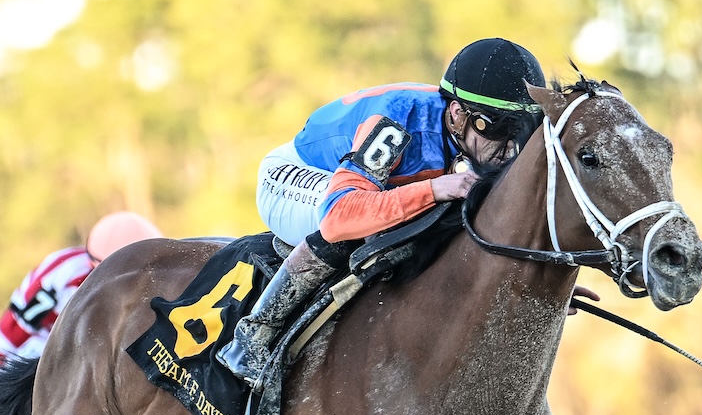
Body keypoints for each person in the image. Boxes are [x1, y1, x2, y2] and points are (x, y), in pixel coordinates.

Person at [220, 37, 593, 387]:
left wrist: (529, 279)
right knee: (362, 225)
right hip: (297, 177)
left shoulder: (461, 129)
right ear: (459, 114)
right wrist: (432, 188)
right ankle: (254, 335)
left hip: (366, 183)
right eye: (500, 130)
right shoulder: (396, 124)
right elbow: (339, 216)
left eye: (522, 133)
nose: (510, 149)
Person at [0, 210, 162, 369]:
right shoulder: (61, 278)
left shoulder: (163, 280)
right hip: (39, 360)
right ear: (95, 265)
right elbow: (0, 345)